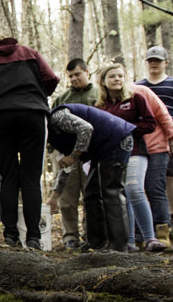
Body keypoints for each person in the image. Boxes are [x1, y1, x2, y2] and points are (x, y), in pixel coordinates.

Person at [0, 34, 59, 249]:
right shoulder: (30, 53)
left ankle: (10, 235)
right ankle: (33, 237)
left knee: (8, 177)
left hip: (1, 118)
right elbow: (51, 78)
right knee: (31, 177)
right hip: (33, 115)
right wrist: (37, 96)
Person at [46, 104, 136, 251]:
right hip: (100, 149)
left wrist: (74, 155)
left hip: (117, 139)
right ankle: (96, 243)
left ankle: (119, 247)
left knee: (111, 191)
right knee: (91, 193)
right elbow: (65, 168)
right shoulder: (56, 139)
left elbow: (86, 128)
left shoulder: (57, 118)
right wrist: (55, 197)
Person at [95, 63, 162, 251]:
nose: (117, 79)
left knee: (134, 190)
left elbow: (150, 124)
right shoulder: (100, 106)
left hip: (136, 152)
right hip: (112, 156)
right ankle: (129, 241)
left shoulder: (136, 98)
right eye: (112, 76)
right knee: (122, 195)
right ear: (103, 81)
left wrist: (127, 129)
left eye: (120, 76)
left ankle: (150, 239)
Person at [136, 45, 173, 238]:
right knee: (148, 181)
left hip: (171, 138)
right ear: (146, 63)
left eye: (158, 61)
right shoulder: (138, 86)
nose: (154, 64)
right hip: (147, 139)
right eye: (151, 60)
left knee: (171, 176)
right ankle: (151, 222)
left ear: (166, 63)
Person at [52, 59, 96, 249]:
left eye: (77, 74)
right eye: (70, 76)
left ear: (87, 72)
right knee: (67, 197)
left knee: (91, 195)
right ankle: (70, 236)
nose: (74, 79)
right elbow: (52, 125)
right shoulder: (63, 98)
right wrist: (54, 152)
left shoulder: (98, 94)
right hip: (67, 153)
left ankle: (91, 234)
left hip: (91, 153)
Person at [132, 82, 173, 243]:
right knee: (135, 192)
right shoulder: (107, 99)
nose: (117, 80)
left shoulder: (141, 91)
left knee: (154, 188)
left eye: (120, 76)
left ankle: (162, 232)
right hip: (133, 151)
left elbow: (163, 114)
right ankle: (141, 234)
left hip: (156, 147)